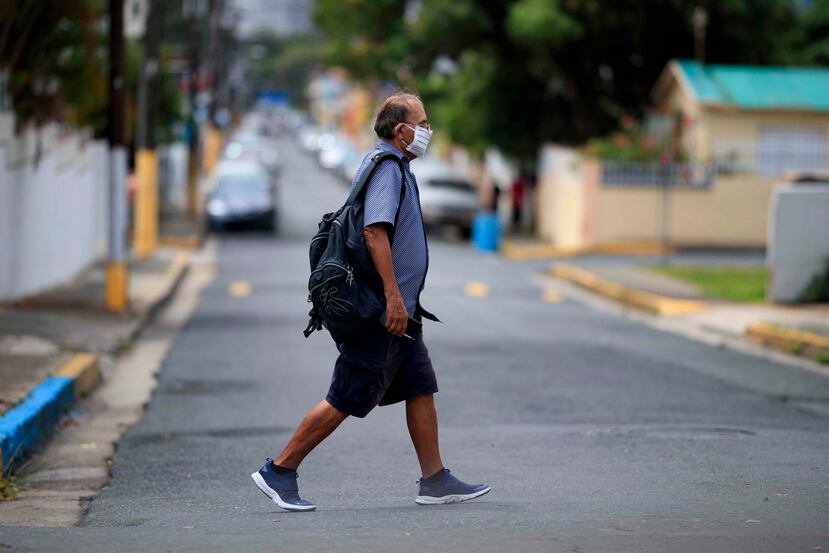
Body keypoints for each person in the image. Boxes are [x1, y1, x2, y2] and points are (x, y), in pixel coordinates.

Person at [251, 92, 490, 512]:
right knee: (348, 394)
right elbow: (374, 232)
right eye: (423, 123)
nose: (427, 131)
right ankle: (280, 469)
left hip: (402, 312)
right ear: (402, 131)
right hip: (383, 311)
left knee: (420, 384)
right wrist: (394, 299)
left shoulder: (392, 164)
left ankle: (434, 479)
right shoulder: (387, 170)